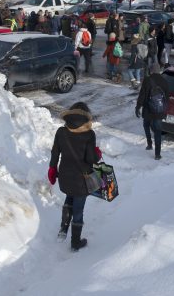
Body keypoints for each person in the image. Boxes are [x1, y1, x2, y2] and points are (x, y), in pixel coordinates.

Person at [48, 102, 102, 251]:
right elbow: (91, 158)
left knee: (69, 197)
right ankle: (75, 242)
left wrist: (52, 168)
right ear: (86, 117)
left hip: (65, 176)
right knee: (78, 209)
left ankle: (63, 229)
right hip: (82, 179)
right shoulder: (89, 134)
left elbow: (55, 152)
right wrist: (98, 153)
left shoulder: (61, 131)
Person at [135, 63, 170, 160]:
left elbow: (142, 94)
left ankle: (149, 144)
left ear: (151, 70)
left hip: (148, 109)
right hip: (159, 110)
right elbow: (167, 98)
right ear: (159, 70)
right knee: (158, 131)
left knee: (146, 125)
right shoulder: (164, 81)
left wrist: (138, 107)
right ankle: (157, 154)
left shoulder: (147, 80)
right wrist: (164, 110)